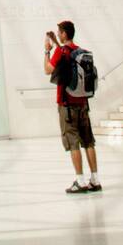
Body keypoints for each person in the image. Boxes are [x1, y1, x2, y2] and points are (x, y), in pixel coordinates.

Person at [45, 20, 102, 193]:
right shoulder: (80, 51)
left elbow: (48, 69)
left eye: (59, 32)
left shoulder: (61, 52)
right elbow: (67, 57)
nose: (58, 34)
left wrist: (47, 50)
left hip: (66, 104)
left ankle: (80, 181)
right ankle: (95, 180)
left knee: (73, 143)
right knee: (88, 142)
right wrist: (56, 43)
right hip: (83, 104)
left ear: (64, 34)